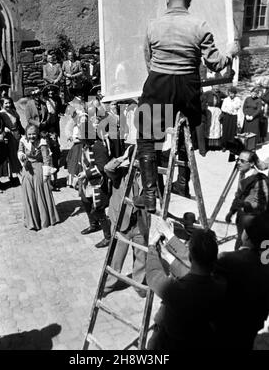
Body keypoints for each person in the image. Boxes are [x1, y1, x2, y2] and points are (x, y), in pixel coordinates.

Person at [136, 0, 237, 213]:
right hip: (188, 86)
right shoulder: (199, 25)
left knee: (145, 133)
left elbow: (148, 59)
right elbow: (215, 63)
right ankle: (182, 182)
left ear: (167, 1)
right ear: (188, 1)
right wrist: (230, 54)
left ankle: (150, 194)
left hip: (159, 82)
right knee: (186, 128)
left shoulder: (153, 25)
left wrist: (161, 75)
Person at [146, 220, 226, 350]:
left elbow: (153, 275)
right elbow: (197, 273)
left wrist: (151, 246)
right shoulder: (221, 284)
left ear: (190, 257)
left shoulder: (176, 290)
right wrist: (170, 247)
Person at [214, 214, 269, 349]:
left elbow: (204, 282)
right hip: (250, 330)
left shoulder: (226, 260)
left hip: (224, 329)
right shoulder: (265, 266)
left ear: (246, 236)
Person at [103, 146, 149, 297]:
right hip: (122, 223)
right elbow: (107, 168)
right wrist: (122, 158)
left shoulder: (148, 176)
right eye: (135, 159)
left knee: (141, 256)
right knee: (117, 257)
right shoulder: (120, 173)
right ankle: (108, 285)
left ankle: (139, 285)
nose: (138, 163)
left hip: (139, 223)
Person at [17, 124, 60, 230]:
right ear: (26, 134)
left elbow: (46, 160)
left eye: (34, 134)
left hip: (39, 170)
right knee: (29, 193)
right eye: (29, 134)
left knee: (40, 193)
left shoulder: (43, 143)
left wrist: (46, 175)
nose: (31, 136)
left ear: (37, 134)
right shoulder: (23, 141)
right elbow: (20, 151)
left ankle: (45, 218)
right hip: (27, 169)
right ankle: (32, 219)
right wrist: (21, 156)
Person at [225, 149, 269, 250]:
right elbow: (238, 196)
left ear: (252, 164)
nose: (238, 163)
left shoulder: (261, 181)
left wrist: (246, 204)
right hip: (241, 219)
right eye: (238, 160)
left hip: (253, 223)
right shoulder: (243, 174)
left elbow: (263, 206)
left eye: (242, 161)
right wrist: (231, 212)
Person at [78, 120, 112, 248]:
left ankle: (108, 237)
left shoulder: (98, 146)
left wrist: (86, 174)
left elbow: (102, 167)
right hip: (87, 182)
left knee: (99, 209)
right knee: (86, 202)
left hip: (98, 183)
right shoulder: (85, 146)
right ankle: (93, 225)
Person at [0, 96, 24, 183]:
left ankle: (19, 172)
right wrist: (4, 130)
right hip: (9, 137)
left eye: (9, 103)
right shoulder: (0, 114)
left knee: (20, 153)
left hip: (17, 135)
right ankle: (18, 174)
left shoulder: (14, 112)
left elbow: (19, 125)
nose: (8, 105)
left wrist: (24, 133)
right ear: (2, 104)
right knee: (12, 155)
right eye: (6, 103)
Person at [220, 87, 242, 152]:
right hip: (227, 116)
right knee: (225, 131)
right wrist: (228, 110)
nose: (231, 95)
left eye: (232, 93)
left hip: (234, 117)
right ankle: (224, 146)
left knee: (232, 131)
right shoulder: (226, 100)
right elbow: (223, 108)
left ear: (235, 93)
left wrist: (239, 120)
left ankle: (231, 146)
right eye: (230, 93)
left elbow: (238, 109)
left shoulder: (237, 99)